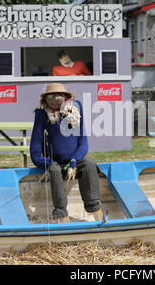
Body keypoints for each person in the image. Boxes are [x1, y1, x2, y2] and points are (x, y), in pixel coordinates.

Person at [30, 83, 103, 223]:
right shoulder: (42, 114)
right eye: (50, 97)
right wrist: (48, 162)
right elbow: (35, 150)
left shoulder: (76, 110)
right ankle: (62, 215)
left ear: (65, 98)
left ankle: (94, 208)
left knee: (89, 163)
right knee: (55, 170)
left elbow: (83, 142)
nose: (54, 100)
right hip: (55, 162)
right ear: (45, 99)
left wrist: (75, 160)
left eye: (58, 97)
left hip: (74, 160)